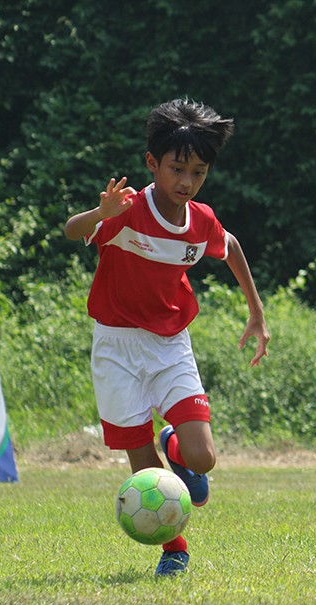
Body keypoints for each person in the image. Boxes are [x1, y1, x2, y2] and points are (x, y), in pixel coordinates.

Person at [63, 98, 269, 576]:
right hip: (115, 347)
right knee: (142, 466)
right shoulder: (127, 211)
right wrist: (100, 212)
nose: (186, 182)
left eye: (198, 172)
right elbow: (73, 231)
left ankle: (177, 443)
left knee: (204, 458)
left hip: (170, 343)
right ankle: (174, 550)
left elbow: (230, 245)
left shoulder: (200, 220)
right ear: (152, 164)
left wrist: (256, 312)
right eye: (177, 169)